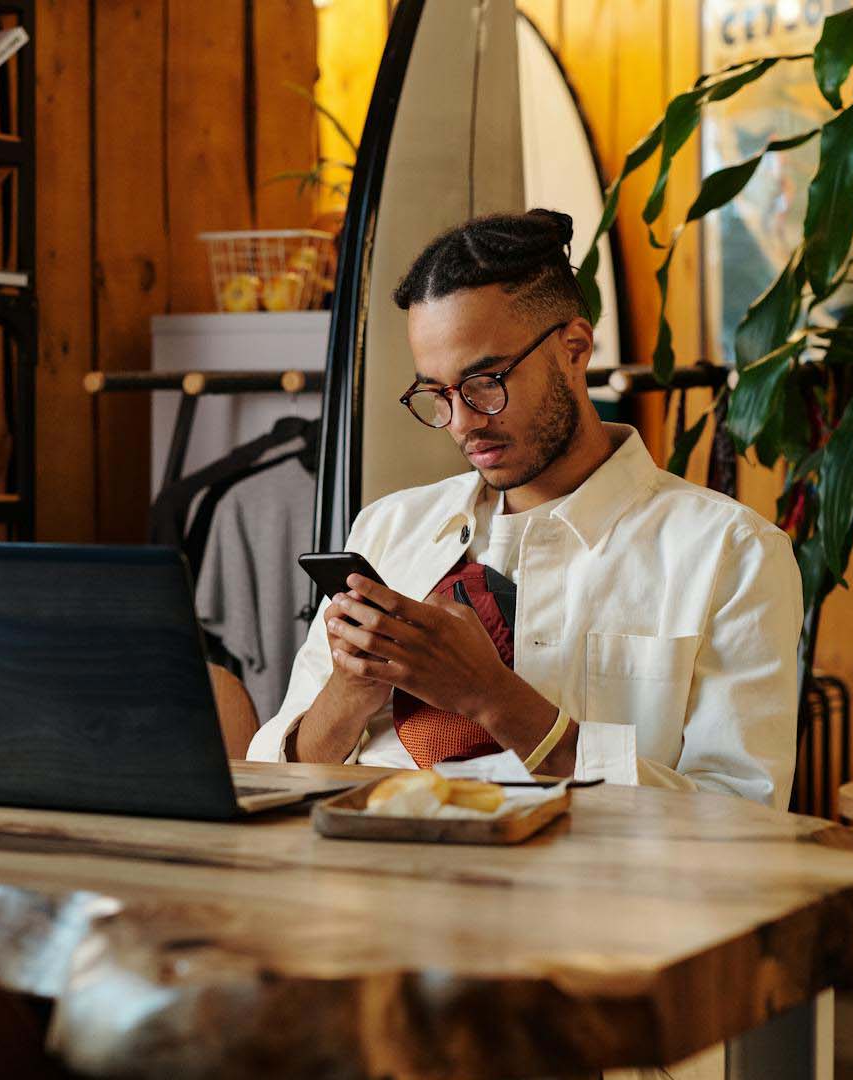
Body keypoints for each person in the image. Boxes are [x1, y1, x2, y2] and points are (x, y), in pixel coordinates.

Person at [244, 209, 802, 805]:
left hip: (585, 893)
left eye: (486, 382)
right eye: (436, 393)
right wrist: (348, 694)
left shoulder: (730, 554)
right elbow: (274, 777)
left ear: (575, 349)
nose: (461, 424)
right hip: (364, 874)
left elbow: (741, 819)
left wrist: (492, 698)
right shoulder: (388, 529)